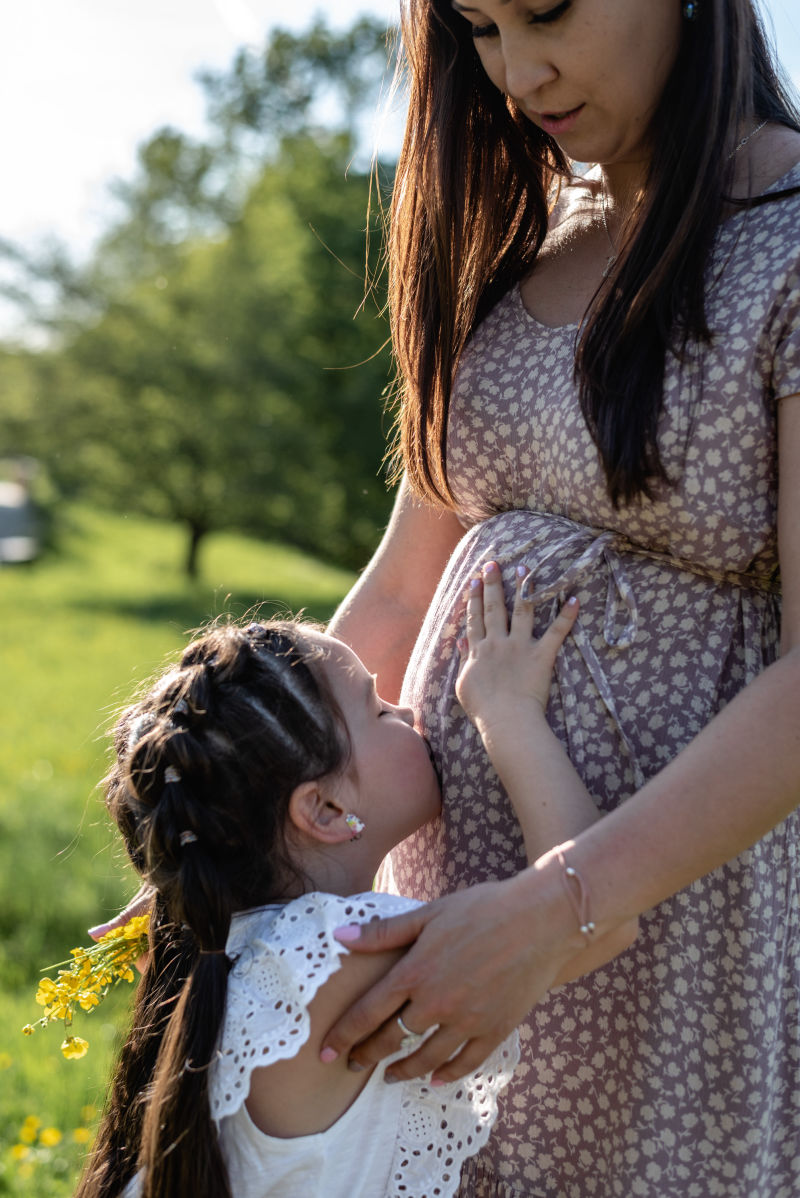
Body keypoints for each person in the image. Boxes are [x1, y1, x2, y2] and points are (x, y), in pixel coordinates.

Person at [318, 0, 800, 1195]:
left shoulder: (788, 242)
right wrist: (236, 822)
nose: (516, 71)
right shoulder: (519, 235)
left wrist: (557, 910)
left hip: (666, 925)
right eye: (477, 28)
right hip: (448, 915)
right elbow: (399, 584)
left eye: (547, 11)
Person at [75, 577, 630, 1198]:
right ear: (327, 811)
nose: (409, 711)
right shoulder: (334, 957)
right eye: (377, 709)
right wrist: (509, 711)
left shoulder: (235, 950)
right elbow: (591, 925)